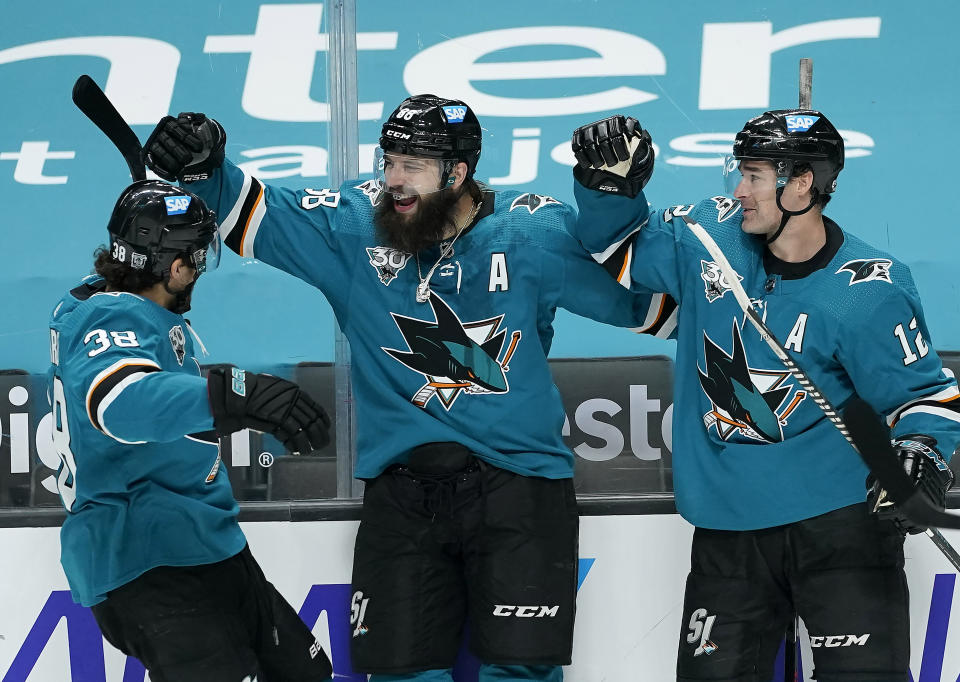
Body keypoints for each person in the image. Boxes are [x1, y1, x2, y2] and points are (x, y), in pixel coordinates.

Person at [140, 94, 673, 681]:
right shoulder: (351, 227)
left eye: (412, 165)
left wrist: (611, 202)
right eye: (389, 160)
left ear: (458, 173)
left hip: (520, 488)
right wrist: (201, 163)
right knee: (399, 676)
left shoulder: (531, 233)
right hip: (402, 495)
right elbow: (242, 209)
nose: (394, 179)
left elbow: (653, 305)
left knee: (521, 674)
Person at [567, 109, 960, 681]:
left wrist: (921, 459)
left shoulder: (869, 290)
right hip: (730, 540)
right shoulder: (708, 237)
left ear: (802, 183)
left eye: (754, 176)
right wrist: (610, 188)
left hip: (842, 532)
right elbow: (617, 251)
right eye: (741, 172)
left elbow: (924, 398)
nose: (739, 190)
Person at [48, 179, 334, 682]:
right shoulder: (109, 319)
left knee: (304, 673)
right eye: (197, 259)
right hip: (147, 558)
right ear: (177, 267)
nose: (199, 270)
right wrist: (235, 394)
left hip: (204, 542)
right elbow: (120, 401)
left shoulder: (110, 304)